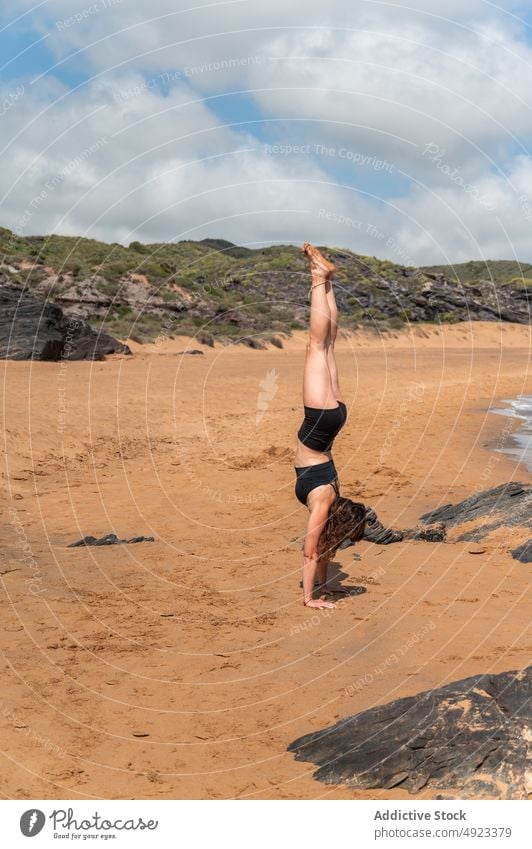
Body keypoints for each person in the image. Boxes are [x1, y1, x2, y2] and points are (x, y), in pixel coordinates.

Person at [294, 243, 365, 609]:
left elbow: (317, 549)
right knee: (318, 345)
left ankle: (323, 279)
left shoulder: (331, 497)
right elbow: (315, 549)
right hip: (320, 423)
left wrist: (321, 591)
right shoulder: (322, 502)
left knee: (325, 346)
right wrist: (318, 592)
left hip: (331, 422)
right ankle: (320, 278)